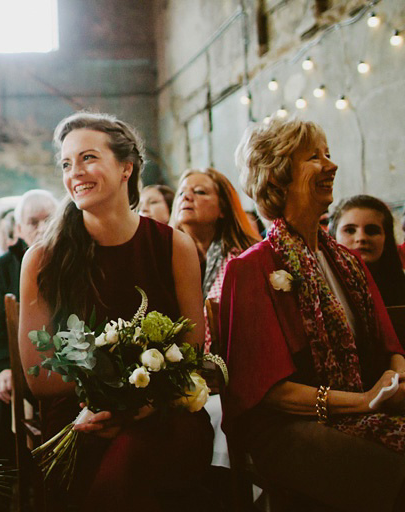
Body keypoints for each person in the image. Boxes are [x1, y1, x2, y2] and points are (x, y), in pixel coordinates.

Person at [18, 111, 212, 511]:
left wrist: (140, 405)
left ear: (127, 167)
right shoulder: (42, 259)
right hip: (77, 418)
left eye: (88, 158)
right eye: (67, 164)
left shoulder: (174, 247)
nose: (75, 173)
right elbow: (39, 377)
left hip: (161, 411)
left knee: (139, 461)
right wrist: (106, 400)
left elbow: (192, 354)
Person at [220, 118, 405, 511]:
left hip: (363, 408)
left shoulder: (348, 262)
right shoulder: (251, 269)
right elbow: (271, 392)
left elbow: (392, 348)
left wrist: (395, 378)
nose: (331, 165)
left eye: (329, 154)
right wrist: (366, 402)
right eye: (315, 157)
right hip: (288, 429)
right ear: (279, 175)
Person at [0, 189, 57, 458]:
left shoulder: (68, 259)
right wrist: (3, 368)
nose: (41, 229)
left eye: (48, 220)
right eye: (33, 222)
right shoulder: (6, 263)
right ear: (19, 228)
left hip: (58, 365)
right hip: (18, 364)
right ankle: (2, 489)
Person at [171, 168, 260, 348]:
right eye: (181, 192)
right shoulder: (164, 259)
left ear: (223, 208)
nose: (186, 197)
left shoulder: (245, 259)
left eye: (199, 192)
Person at [331, 195, 405, 308]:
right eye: (350, 230)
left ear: (386, 240)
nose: (361, 238)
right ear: (333, 238)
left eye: (372, 231)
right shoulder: (321, 288)